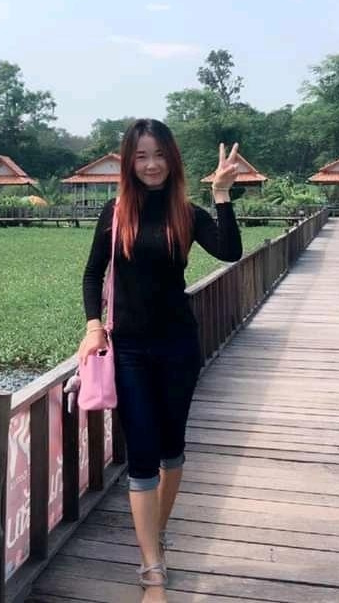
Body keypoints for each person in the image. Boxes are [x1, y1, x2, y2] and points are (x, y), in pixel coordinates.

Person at [78, 118, 242, 602]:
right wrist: (93, 326)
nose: (151, 165)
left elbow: (230, 251)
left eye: (159, 155)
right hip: (129, 350)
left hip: (178, 347)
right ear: (129, 162)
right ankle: (152, 571)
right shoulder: (115, 213)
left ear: (172, 159)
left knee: (172, 450)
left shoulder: (186, 213)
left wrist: (222, 194)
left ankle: (158, 533)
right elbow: (92, 274)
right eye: (141, 156)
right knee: (143, 455)